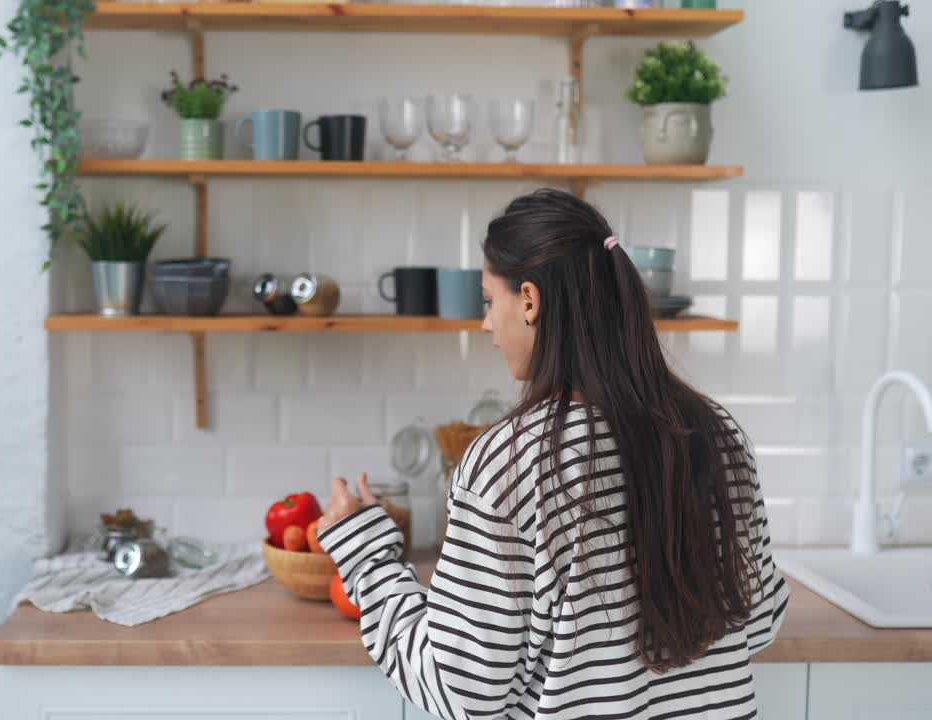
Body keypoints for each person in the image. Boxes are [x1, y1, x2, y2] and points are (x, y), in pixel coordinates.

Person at [317, 188, 789, 720]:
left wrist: (366, 553)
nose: (486, 324)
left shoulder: (509, 463)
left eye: (488, 302)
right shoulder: (717, 435)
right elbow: (761, 619)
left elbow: (460, 693)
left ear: (529, 300)